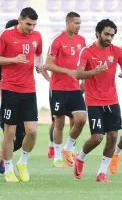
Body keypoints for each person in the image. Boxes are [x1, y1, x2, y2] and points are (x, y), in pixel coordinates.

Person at [0, 7, 43, 183]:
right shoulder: (6, 35)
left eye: (34, 25)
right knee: (10, 132)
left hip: (29, 89)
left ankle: (23, 162)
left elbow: (38, 55)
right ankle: (7, 167)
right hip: (9, 89)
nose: (31, 28)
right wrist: (13, 59)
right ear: (20, 20)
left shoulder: (37, 36)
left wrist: (39, 65)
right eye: (28, 24)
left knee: (33, 132)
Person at [74, 19, 122, 183]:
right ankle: (80, 157)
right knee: (97, 138)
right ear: (98, 33)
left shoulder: (117, 51)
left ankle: (101, 173)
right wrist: (94, 71)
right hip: (94, 101)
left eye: (112, 35)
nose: (109, 37)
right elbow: (78, 74)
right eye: (106, 34)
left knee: (113, 136)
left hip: (112, 100)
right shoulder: (87, 51)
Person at [44, 12, 87, 167]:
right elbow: (47, 65)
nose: (78, 26)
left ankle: (68, 147)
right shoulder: (57, 40)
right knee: (59, 123)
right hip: (58, 89)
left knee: (81, 119)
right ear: (68, 23)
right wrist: (67, 71)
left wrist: (83, 81)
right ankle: (57, 155)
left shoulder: (82, 40)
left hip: (75, 88)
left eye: (80, 23)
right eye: (76, 23)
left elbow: (84, 64)